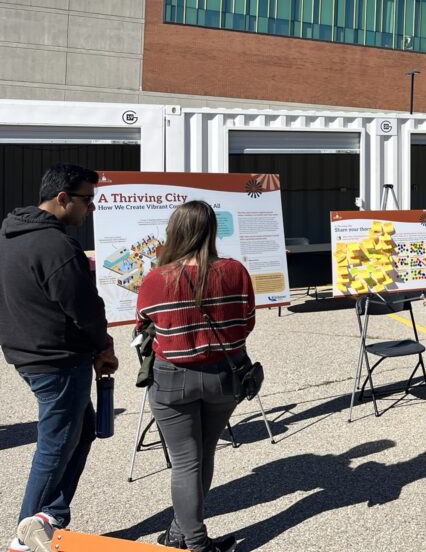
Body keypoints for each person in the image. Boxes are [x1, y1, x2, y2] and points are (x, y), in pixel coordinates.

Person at [0, 164, 118, 552]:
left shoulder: (11, 234)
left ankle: (50, 515)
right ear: (62, 198)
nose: (92, 208)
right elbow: (83, 307)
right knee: (55, 444)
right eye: (88, 200)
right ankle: (26, 534)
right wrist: (104, 345)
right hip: (57, 360)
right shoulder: (55, 245)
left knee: (81, 429)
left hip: (28, 355)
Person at [136, 200, 256, 552]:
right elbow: (247, 322)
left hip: (172, 378)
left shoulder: (156, 278)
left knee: (186, 462)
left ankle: (195, 542)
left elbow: (143, 322)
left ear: (174, 231)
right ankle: (180, 533)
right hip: (223, 376)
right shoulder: (235, 271)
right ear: (211, 231)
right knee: (204, 455)